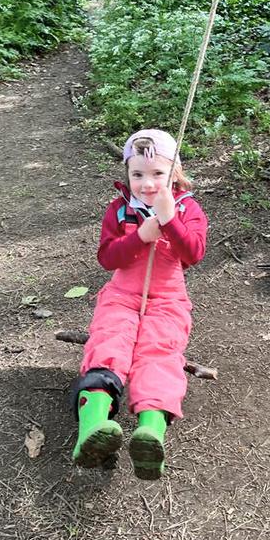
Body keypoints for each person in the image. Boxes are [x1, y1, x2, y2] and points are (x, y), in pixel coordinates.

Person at [71, 128, 208, 480]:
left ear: (175, 173)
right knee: (109, 343)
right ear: (127, 174)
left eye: (157, 173)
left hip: (167, 297)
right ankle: (92, 427)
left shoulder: (187, 208)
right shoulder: (119, 210)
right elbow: (107, 258)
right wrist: (141, 236)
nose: (147, 183)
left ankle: (150, 432)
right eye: (137, 174)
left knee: (159, 351)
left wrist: (169, 220)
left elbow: (194, 253)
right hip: (122, 294)